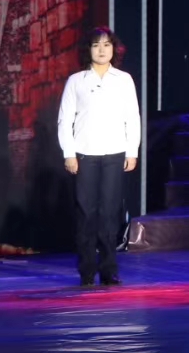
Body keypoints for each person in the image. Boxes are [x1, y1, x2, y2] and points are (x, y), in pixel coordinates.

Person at [57, 27, 141, 287]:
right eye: (96, 45)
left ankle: (108, 270)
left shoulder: (124, 79)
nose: (102, 50)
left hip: (115, 154)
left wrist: (132, 151)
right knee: (86, 213)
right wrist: (69, 153)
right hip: (84, 155)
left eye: (106, 45)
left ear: (114, 49)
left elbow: (132, 117)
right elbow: (65, 119)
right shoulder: (76, 80)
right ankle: (86, 270)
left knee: (110, 213)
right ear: (89, 50)